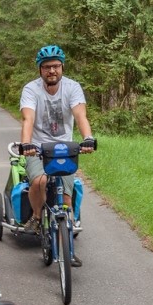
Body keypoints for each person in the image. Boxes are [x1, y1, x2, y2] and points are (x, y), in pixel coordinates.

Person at [19, 44, 96, 267]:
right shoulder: (31, 90)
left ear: (62, 67)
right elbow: (28, 119)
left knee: (66, 200)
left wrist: (88, 138)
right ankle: (35, 216)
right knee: (39, 181)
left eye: (55, 66)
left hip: (65, 149)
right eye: (46, 67)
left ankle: (67, 250)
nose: (52, 71)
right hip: (38, 148)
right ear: (40, 70)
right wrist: (26, 144)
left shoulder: (72, 87)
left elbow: (80, 116)